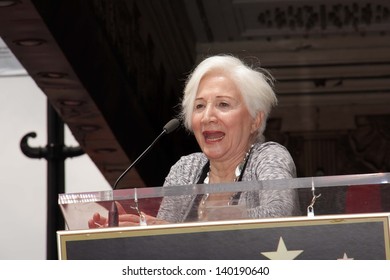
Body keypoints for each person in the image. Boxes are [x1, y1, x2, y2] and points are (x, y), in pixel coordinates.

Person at [88, 54, 300, 228]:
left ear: (255, 120)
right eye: (199, 106)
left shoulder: (268, 157)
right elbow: (166, 244)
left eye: (223, 104)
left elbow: (279, 213)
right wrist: (135, 234)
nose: (207, 117)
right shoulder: (186, 170)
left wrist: (205, 220)